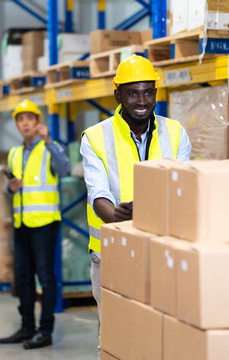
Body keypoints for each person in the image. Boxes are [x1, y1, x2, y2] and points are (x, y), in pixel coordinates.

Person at [80, 54, 191, 323]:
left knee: (159, 334)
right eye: (133, 93)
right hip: (112, 253)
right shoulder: (95, 137)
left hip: (163, 251)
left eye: (148, 92)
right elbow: (98, 193)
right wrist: (117, 217)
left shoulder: (176, 133)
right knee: (115, 335)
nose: (142, 101)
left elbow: (185, 187)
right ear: (117, 95)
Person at [0, 100, 71, 350]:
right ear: (17, 124)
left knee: (45, 278)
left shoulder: (50, 148)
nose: (25, 123)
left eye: (30, 118)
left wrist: (49, 140)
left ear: (38, 122)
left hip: (45, 224)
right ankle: (27, 327)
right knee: (24, 278)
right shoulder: (14, 153)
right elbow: (10, 187)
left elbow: (65, 168)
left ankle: (45, 330)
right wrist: (10, 187)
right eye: (21, 119)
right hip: (21, 223)